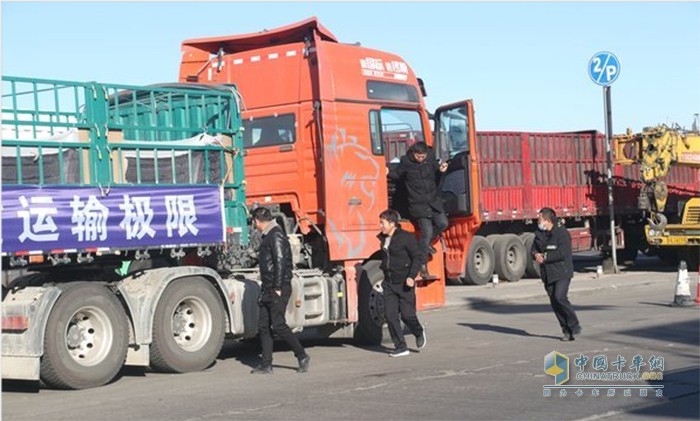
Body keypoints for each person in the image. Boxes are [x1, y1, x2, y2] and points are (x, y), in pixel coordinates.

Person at [250, 206, 310, 373]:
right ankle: (266, 364)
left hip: (277, 287)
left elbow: (280, 262)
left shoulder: (275, 234)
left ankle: (302, 355)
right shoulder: (269, 235)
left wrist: (277, 287)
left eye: (254, 222)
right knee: (263, 326)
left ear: (257, 221)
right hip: (268, 287)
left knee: (278, 325)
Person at [388, 141, 449, 275]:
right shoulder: (406, 162)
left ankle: (424, 245)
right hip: (418, 204)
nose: (421, 159)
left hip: (433, 201)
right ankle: (422, 265)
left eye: (423, 157)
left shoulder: (430, 159)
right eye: (418, 156)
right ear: (413, 153)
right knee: (426, 232)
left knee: (443, 223)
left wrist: (441, 171)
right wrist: (387, 172)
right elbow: (397, 175)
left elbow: (437, 175)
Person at [377, 209, 427, 357]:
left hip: (405, 283)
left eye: (382, 223)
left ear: (392, 223)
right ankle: (401, 347)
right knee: (390, 316)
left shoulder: (406, 238)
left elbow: (417, 257)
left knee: (407, 315)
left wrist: (412, 276)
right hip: (389, 283)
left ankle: (418, 331)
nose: (380, 226)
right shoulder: (383, 238)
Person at [531, 207, 582, 341]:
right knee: (554, 302)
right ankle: (566, 331)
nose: (538, 221)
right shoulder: (540, 233)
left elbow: (563, 253)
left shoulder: (561, 233)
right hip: (547, 273)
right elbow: (534, 247)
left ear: (547, 220)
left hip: (562, 272)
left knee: (560, 297)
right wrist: (535, 254)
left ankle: (574, 325)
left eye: (540, 219)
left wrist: (546, 257)